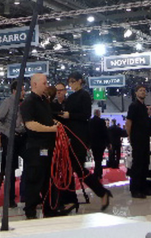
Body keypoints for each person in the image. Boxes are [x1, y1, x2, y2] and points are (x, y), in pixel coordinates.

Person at [61, 72, 112, 212]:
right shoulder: (71, 97)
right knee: (69, 169)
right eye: (69, 82)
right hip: (70, 136)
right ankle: (71, 200)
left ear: (80, 81)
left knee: (78, 168)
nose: (71, 84)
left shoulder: (84, 95)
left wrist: (70, 115)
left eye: (73, 81)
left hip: (80, 137)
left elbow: (85, 115)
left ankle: (101, 192)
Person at [19, 73, 60, 219]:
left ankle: (49, 209)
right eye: (44, 83)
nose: (47, 85)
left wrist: (54, 123)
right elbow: (30, 124)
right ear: (35, 84)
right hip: (36, 148)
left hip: (48, 146)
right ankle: (30, 211)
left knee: (48, 180)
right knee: (35, 180)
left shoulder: (44, 101)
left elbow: (45, 119)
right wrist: (51, 129)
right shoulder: (29, 102)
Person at [0, 80, 26, 208]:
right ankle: (10, 199)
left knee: (30, 161)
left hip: (22, 137)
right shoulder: (7, 103)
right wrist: (8, 132)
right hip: (10, 139)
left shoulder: (23, 104)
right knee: (10, 169)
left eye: (24, 89)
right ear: (14, 91)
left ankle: (26, 193)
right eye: (21, 90)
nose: (24, 92)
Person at [125, 84, 151, 199]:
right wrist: (129, 136)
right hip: (137, 138)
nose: (143, 92)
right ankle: (135, 189)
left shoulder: (144, 107)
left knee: (144, 163)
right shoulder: (134, 106)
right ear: (136, 93)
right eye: (140, 90)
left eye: (144, 90)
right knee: (137, 164)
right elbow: (129, 122)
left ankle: (143, 188)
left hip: (145, 138)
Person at [88, 109, 109, 180]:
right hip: (101, 143)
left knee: (96, 157)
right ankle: (98, 173)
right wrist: (108, 142)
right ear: (99, 113)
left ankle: (97, 172)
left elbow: (88, 133)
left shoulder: (90, 121)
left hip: (93, 143)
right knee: (99, 158)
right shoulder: (102, 121)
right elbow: (105, 132)